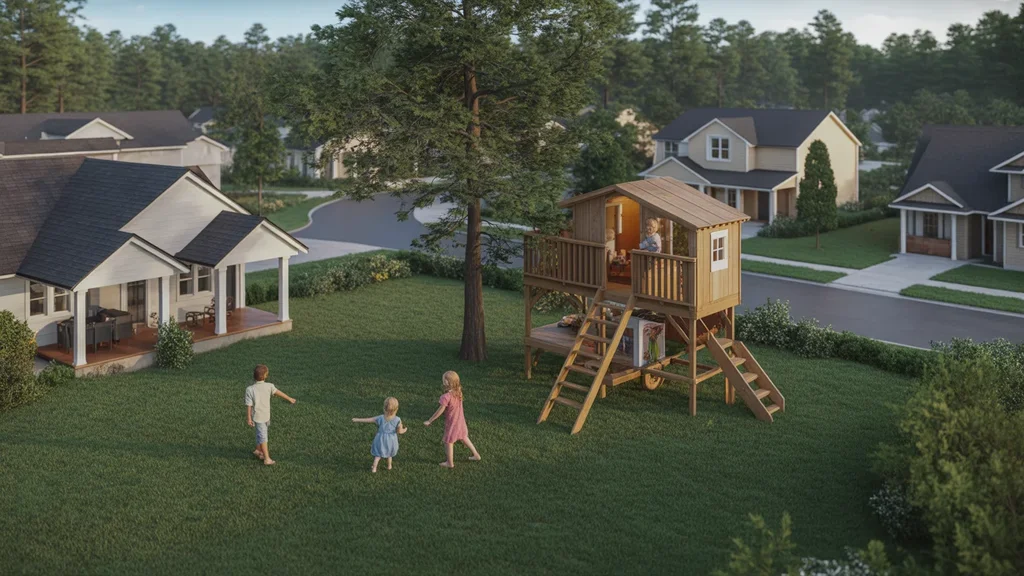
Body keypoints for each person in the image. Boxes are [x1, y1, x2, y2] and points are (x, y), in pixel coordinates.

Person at [424, 371, 481, 468]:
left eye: (443, 380)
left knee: (448, 441)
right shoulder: (459, 392)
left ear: (447, 383)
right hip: (460, 421)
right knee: (464, 437)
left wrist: (430, 420)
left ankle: (450, 463)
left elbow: (440, 411)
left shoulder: (445, 397)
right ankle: (476, 454)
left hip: (452, 423)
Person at [244, 364, 296, 466]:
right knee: (264, 437)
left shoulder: (250, 389)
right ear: (264, 376)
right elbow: (278, 392)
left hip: (258, 417)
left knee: (261, 434)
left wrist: (249, 418)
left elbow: (249, 406)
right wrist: (289, 398)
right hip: (263, 417)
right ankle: (267, 459)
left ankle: (258, 450)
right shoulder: (269, 386)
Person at [352, 397, 407, 473]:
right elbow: (399, 431)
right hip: (391, 440)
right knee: (389, 454)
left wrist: (358, 419)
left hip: (380, 439)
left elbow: (369, 419)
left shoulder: (380, 417)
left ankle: (374, 468)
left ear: (384, 408)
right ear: (396, 409)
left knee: (378, 455)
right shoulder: (398, 419)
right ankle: (389, 466)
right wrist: (405, 429)